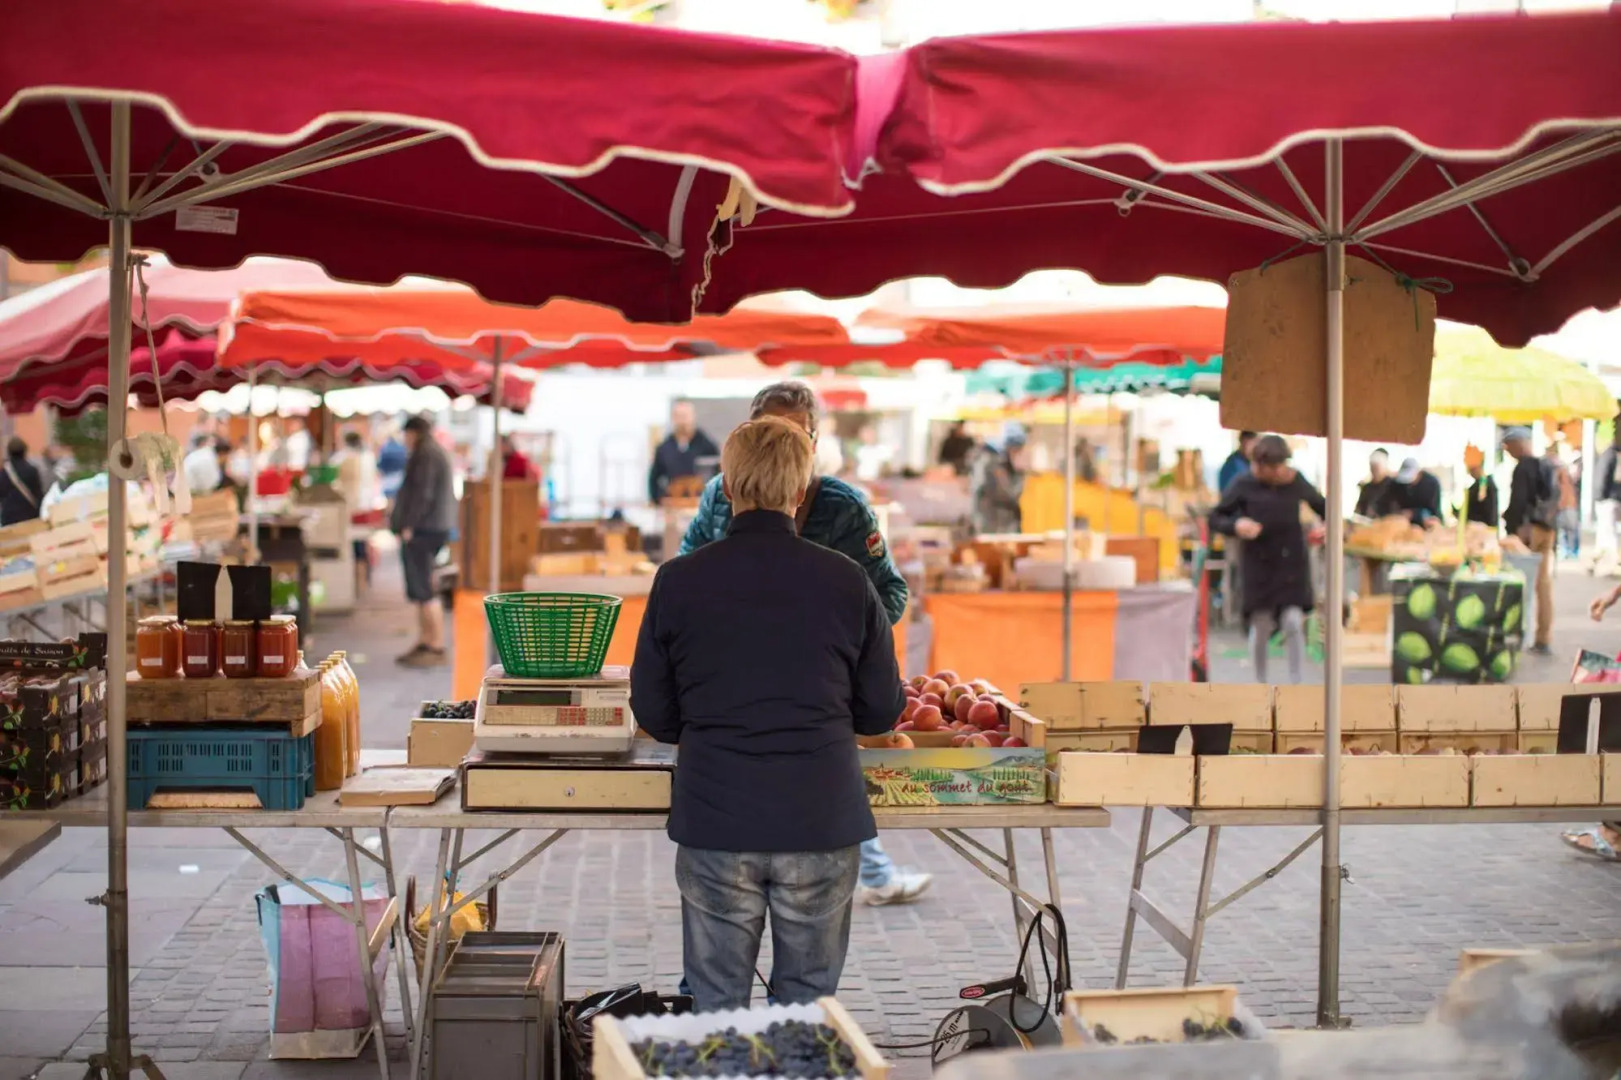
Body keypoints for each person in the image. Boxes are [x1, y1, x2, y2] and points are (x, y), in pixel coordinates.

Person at [634, 416, 903, 1011]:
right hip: (821, 818)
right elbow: (881, 711)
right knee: (806, 1009)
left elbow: (653, 710)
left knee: (716, 1007)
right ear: (801, 492)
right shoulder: (848, 580)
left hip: (715, 818)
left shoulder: (678, 581)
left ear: (727, 488)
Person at [681, 382, 926, 907]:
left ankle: (878, 872)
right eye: (769, 432)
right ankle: (879, 873)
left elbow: (889, 593)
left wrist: (842, 643)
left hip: (813, 702)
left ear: (814, 443)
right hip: (734, 708)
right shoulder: (717, 497)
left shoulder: (842, 508)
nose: (782, 447)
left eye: (795, 435)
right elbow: (685, 576)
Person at [1209, 435, 1327, 684]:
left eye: (1277, 467)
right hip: (1259, 565)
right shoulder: (1243, 484)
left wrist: (1326, 527)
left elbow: (1324, 507)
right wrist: (1237, 525)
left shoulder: (1295, 481)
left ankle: (1296, 683)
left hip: (1291, 564)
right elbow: (1216, 517)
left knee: (1293, 621)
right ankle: (1259, 684)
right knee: (1261, 625)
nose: (1274, 473)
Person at [390, 415, 456, 667]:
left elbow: (423, 493)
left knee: (425, 586)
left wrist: (410, 524)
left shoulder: (426, 453)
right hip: (431, 526)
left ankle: (435, 644)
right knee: (422, 586)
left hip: (425, 528)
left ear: (413, 433)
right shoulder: (430, 450)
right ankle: (426, 641)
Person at [1502, 427, 1557, 654]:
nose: (1507, 451)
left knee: (1520, 583)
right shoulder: (1546, 465)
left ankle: (1519, 636)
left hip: (1528, 531)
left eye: (1509, 446)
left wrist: (1514, 529)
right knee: (1543, 584)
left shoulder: (1523, 468)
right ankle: (1543, 637)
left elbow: (1519, 502)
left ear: (1519, 444)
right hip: (1548, 529)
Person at [649, 398, 720, 505]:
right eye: (679, 416)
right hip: (672, 504)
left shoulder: (708, 446)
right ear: (673, 418)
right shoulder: (664, 448)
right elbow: (654, 478)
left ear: (693, 416)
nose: (682, 421)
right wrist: (657, 500)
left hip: (701, 504)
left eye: (685, 416)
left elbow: (718, 476)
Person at [970, 426, 1027, 535]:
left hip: (996, 527)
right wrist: (1020, 474)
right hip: (996, 529)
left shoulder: (993, 463)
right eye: (1018, 450)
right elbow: (1010, 494)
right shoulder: (994, 466)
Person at [0, 437, 45, 526]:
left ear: (9, 453)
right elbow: (38, 494)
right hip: (29, 516)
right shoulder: (32, 471)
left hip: (9, 517)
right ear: (24, 451)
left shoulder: (3, 473)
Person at [1594, 427, 1621, 571]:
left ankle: (1615, 559)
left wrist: (1599, 496)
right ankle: (1597, 557)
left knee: (1608, 530)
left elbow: (1601, 477)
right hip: (1614, 497)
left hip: (1608, 498)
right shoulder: (1613, 454)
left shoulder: (1609, 454)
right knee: (1607, 531)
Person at [1392, 457, 1444, 528]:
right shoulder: (1400, 485)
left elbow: (1434, 509)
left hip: (1428, 518)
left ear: (1418, 473)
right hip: (1406, 522)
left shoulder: (1431, 483)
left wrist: (1414, 513)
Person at [1460, 450, 1500, 528]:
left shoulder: (1483, 483)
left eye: (1471, 469)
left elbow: (1486, 510)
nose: (1470, 472)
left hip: (1482, 528)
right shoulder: (1483, 483)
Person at [1355, 448, 1398, 518]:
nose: (1374, 471)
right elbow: (1358, 511)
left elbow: (1395, 514)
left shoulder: (1393, 487)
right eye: (1372, 467)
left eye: (1377, 468)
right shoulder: (1366, 488)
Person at [181, 430, 223, 494]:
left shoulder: (194, 455)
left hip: (184, 489)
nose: (213, 444)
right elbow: (213, 482)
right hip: (192, 492)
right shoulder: (207, 454)